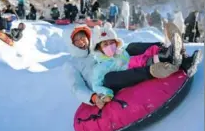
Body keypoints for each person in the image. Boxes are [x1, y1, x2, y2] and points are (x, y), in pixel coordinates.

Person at [66, 24, 202, 109]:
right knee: (109, 77)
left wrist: (122, 49)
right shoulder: (72, 63)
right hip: (105, 85)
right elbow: (76, 88)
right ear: (71, 43)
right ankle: (153, 70)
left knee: (129, 47)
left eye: (83, 37)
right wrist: (94, 97)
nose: (81, 41)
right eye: (76, 40)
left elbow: (118, 50)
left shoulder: (98, 46)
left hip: (120, 64)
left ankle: (169, 50)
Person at [90, 22, 182, 103]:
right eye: (105, 44)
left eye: (111, 43)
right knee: (109, 77)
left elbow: (130, 49)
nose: (109, 46)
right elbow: (96, 85)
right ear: (99, 48)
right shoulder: (100, 67)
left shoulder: (119, 51)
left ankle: (166, 49)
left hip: (134, 65)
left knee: (132, 48)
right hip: (123, 78)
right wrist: (106, 94)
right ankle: (158, 66)